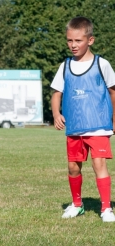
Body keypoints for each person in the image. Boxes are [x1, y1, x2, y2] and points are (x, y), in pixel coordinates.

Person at [51, 16, 115, 222]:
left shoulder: (101, 64)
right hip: (75, 128)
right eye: (69, 40)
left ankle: (106, 208)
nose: (73, 45)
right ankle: (77, 204)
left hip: (98, 126)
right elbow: (56, 93)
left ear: (90, 40)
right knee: (73, 167)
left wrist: (114, 118)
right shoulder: (65, 65)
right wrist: (56, 114)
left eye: (78, 40)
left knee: (99, 164)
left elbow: (113, 92)